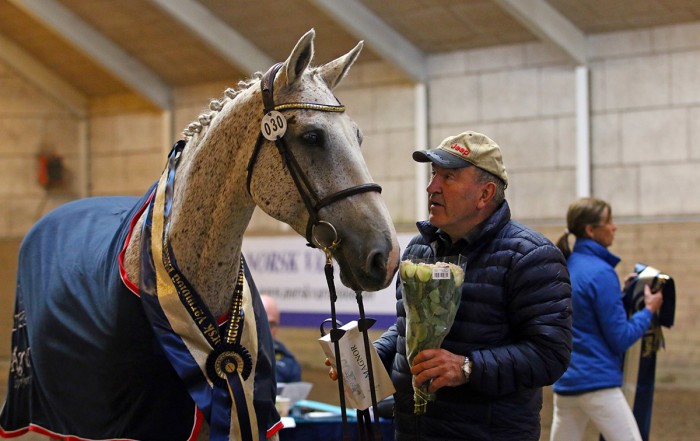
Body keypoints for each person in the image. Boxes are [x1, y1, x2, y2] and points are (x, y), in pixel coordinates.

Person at [370, 131, 573, 440]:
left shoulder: (531, 256)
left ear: (485, 194)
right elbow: (406, 328)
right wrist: (369, 358)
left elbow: (549, 354)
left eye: (448, 177)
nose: (431, 187)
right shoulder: (418, 250)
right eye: (433, 174)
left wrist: (468, 367)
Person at [549, 197, 663, 441]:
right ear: (591, 230)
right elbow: (620, 338)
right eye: (609, 221)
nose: (614, 226)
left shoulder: (567, 265)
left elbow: (588, 314)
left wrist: (620, 296)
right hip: (596, 382)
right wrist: (648, 311)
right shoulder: (601, 272)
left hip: (567, 381)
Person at [261, 294, 302, 383]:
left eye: (271, 325)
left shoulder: (288, 362)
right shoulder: (235, 354)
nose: (266, 330)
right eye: (262, 323)